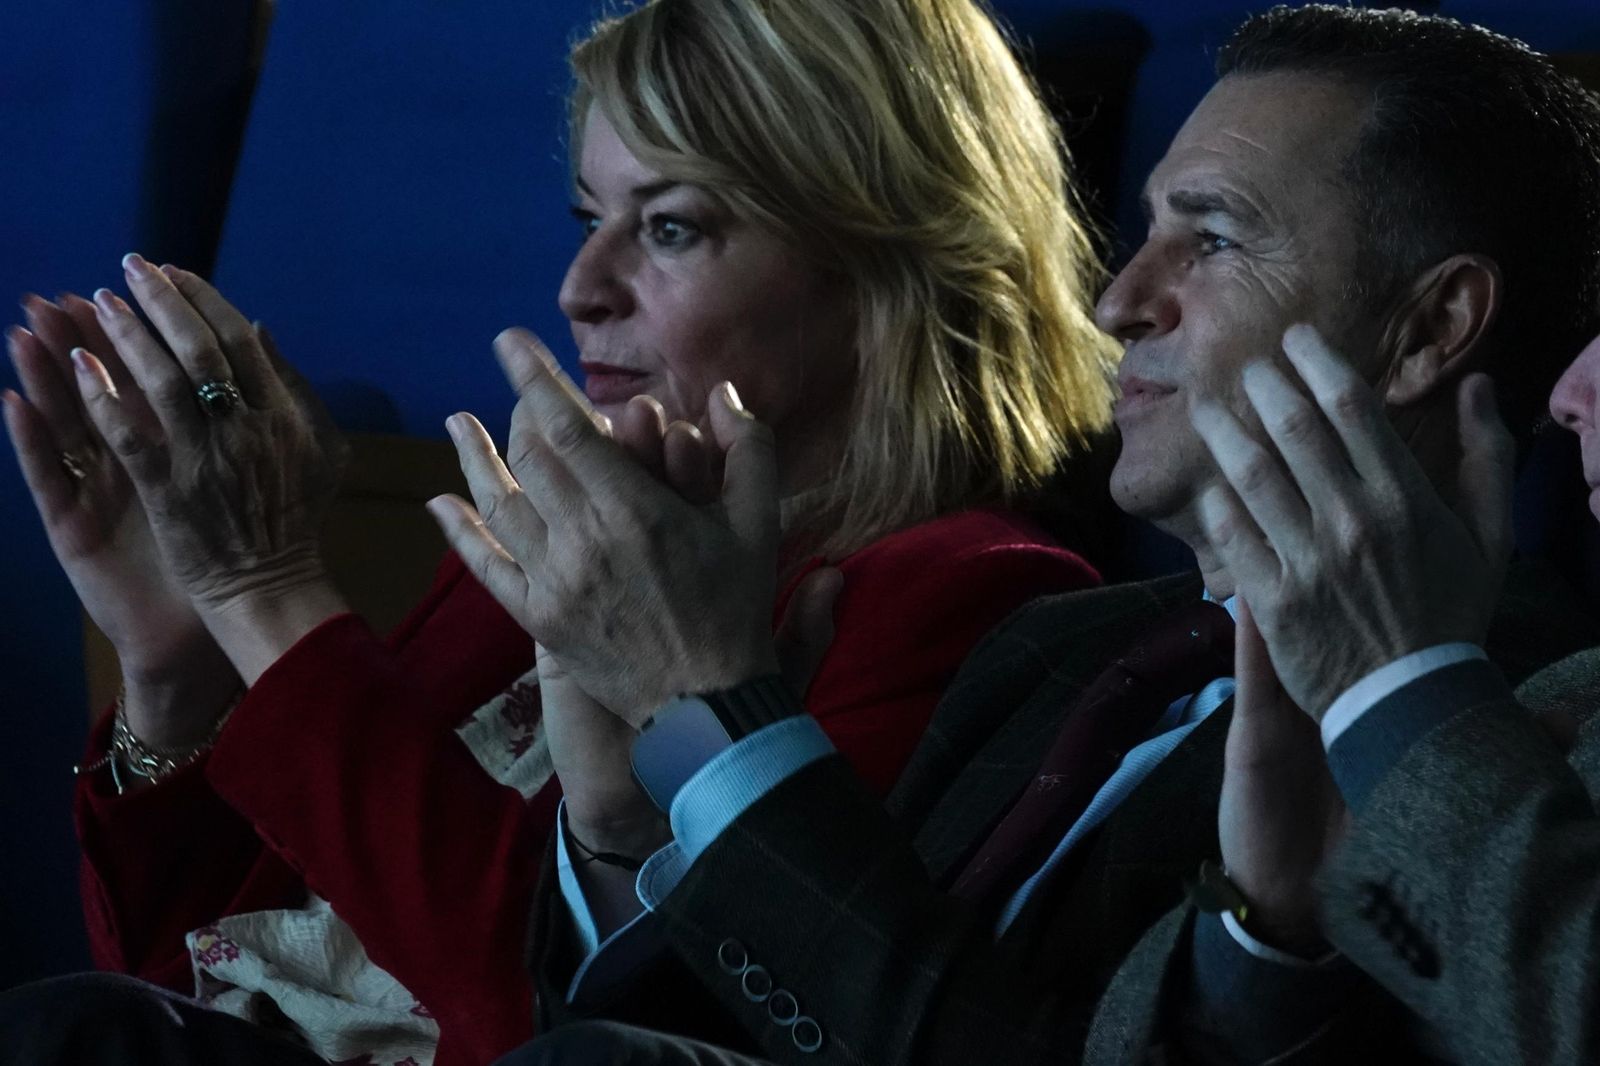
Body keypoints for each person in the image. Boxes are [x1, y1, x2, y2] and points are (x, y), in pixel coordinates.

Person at [425, 6, 1600, 1064]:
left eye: (1213, 239)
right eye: (1146, 229)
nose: (1117, 301)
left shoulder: (1516, 721)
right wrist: (624, 829)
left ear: (1429, 327)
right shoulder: (1052, 645)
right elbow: (742, 1026)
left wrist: (714, 708)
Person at [0, 0, 1120, 1062]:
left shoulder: (971, 600)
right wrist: (177, 670)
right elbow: (191, 981)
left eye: (670, 227)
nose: (582, 285)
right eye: (592, 220)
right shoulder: (585, 516)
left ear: (886, 267)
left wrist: (262, 589)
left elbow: (559, 1026)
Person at [1088, 268, 1600, 1059]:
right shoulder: (1567, 701)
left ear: (1431, 331)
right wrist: (1273, 935)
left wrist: (1397, 688)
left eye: (1218, 242)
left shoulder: (1487, 700)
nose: (1570, 396)